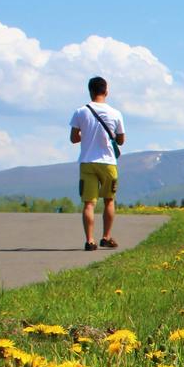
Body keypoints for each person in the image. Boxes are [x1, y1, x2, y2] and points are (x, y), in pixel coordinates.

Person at [69, 77, 125, 251]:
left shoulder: (80, 112)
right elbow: (121, 140)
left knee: (89, 203)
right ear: (106, 91)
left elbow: (73, 138)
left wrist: (85, 134)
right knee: (109, 200)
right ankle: (106, 237)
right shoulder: (115, 113)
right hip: (108, 162)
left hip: (87, 161)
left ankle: (90, 240)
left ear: (90, 91)